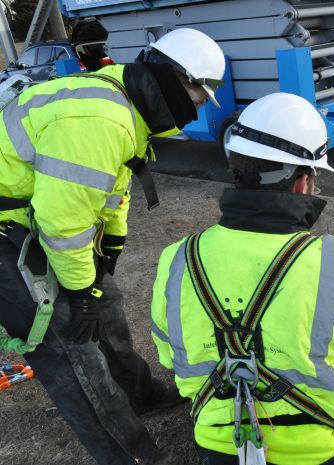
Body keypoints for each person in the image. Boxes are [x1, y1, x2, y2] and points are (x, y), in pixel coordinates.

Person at [150, 92, 334, 465]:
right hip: (316, 451)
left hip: (219, 445)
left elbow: (169, 354)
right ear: (302, 183)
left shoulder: (177, 259)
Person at [0, 28, 225, 465]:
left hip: (35, 219)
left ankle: (138, 393)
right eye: (198, 101)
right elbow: (62, 223)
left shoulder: (122, 99)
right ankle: (132, 455)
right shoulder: (100, 120)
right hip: (9, 233)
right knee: (69, 345)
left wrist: (112, 247)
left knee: (107, 303)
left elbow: (113, 186)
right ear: (180, 80)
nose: (195, 113)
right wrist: (80, 291)